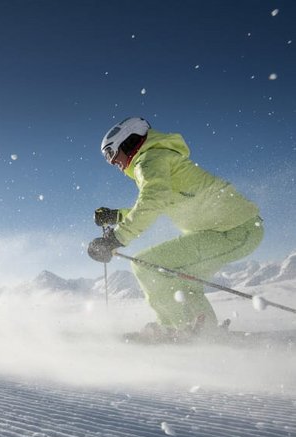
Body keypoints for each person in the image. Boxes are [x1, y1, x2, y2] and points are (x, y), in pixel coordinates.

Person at [88, 117, 263, 341]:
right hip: (230, 230)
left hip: (235, 230)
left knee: (146, 266)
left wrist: (115, 239)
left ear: (129, 142)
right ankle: (203, 331)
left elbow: (152, 202)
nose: (112, 162)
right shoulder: (157, 159)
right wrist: (116, 216)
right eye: (107, 157)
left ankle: (175, 329)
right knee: (183, 281)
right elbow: (158, 202)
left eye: (111, 153)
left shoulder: (150, 159)